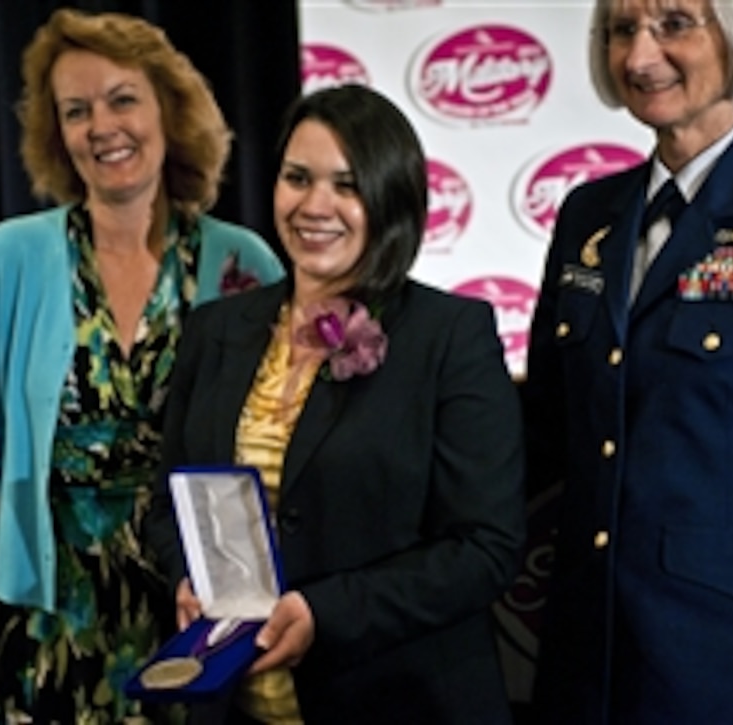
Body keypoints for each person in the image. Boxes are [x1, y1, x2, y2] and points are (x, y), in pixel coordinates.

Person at [0, 8, 284, 723]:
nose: (102, 126)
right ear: (56, 134)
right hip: (47, 620)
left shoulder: (245, 263)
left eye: (123, 98)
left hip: (197, 612)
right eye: (76, 110)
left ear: (167, 110)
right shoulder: (8, 259)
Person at [523, 0, 733, 722]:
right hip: (583, 664)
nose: (641, 58)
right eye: (622, 31)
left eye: (674, 24)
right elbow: (546, 439)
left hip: (729, 668)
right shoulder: (589, 215)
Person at [146, 84, 526, 724]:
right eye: (298, 177)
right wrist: (192, 578)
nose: (314, 205)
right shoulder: (215, 331)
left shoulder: (449, 335)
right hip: (237, 704)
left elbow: (484, 548)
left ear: (390, 198)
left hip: (399, 700)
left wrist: (327, 611)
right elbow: (167, 504)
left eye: (346, 185)